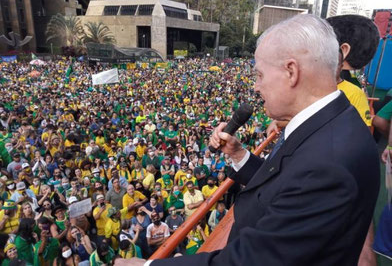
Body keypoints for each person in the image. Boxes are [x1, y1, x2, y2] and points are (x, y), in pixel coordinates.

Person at [115, 14, 380, 266]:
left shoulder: (329, 163)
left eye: (259, 75)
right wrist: (239, 154)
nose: (255, 86)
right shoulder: (331, 123)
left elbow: (257, 260)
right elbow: (285, 183)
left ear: (291, 72)